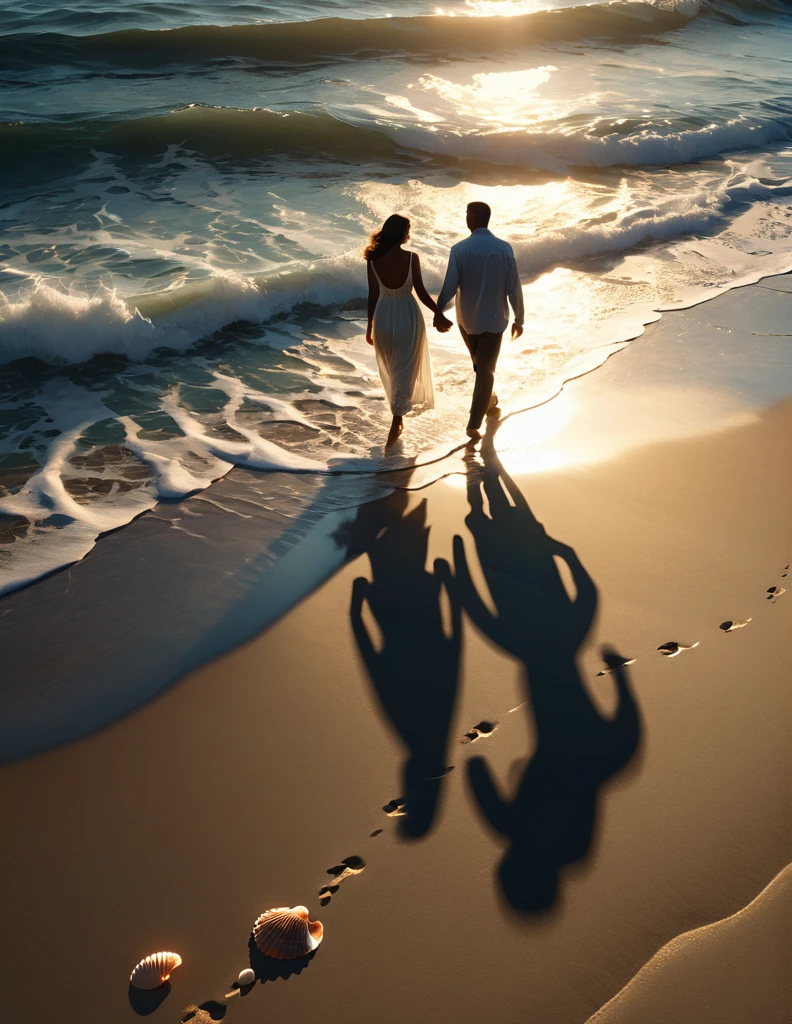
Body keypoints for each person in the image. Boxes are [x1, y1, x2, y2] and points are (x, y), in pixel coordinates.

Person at [434, 202, 524, 439]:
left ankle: (474, 423)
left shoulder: (460, 249)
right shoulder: (504, 248)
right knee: (482, 366)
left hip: (467, 320)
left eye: (467, 213)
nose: (466, 217)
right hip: (496, 319)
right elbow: (514, 287)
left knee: (484, 368)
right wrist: (519, 318)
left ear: (473, 217)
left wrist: (438, 310)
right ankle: (490, 400)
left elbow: (450, 286)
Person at [365, 214, 450, 445]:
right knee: (405, 368)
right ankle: (396, 418)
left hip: (383, 318)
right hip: (408, 318)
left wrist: (369, 326)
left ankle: (397, 413)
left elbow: (372, 296)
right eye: (407, 230)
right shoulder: (412, 258)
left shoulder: (373, 260)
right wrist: (438, 313)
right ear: (401, 234)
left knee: (391, 368)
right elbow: (421, 293)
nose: (409, 235)